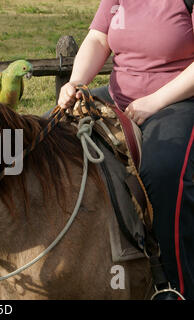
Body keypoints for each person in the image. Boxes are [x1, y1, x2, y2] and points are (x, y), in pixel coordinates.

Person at [57, 0, 194, 299]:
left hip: (178, 100)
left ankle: (175, 285)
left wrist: (155, 101)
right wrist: (77, 82)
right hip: (118, 97)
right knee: (49, 136)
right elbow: (98, 38)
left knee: (163, 173)